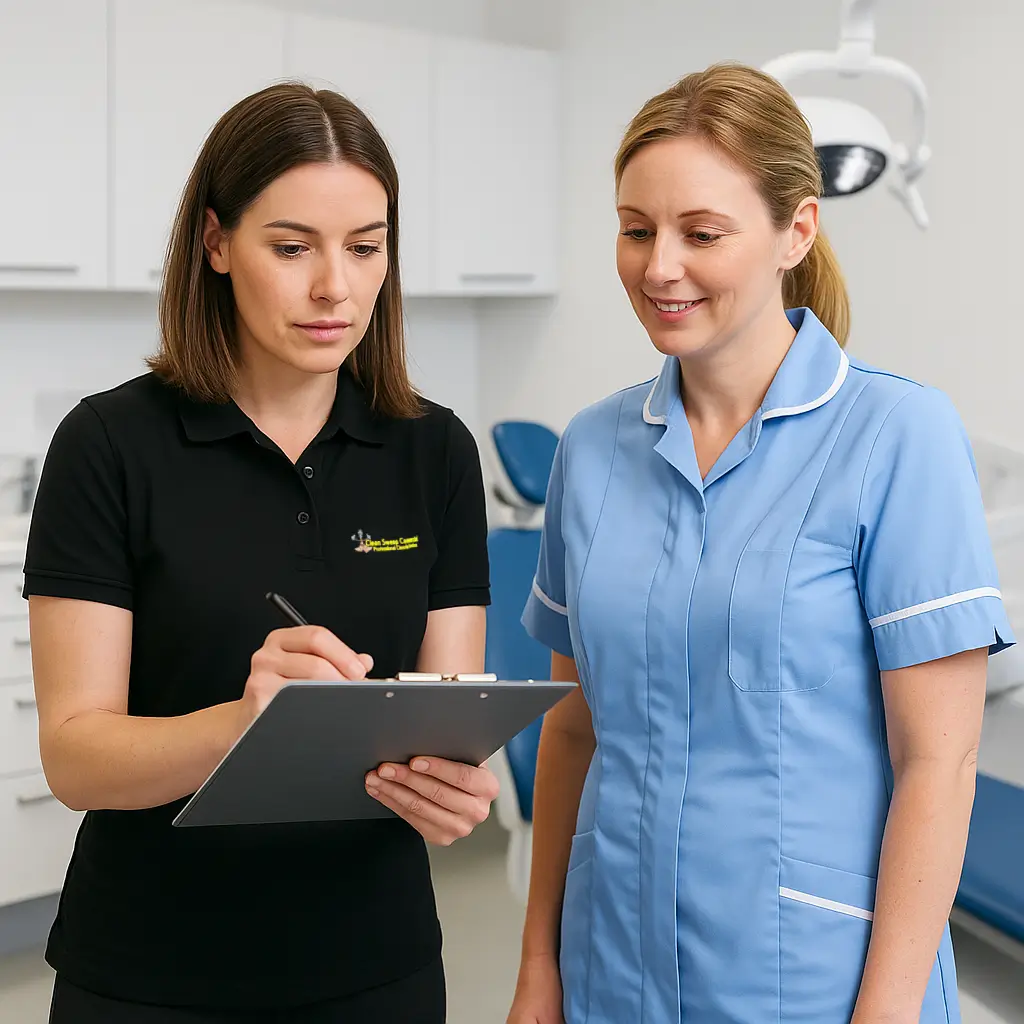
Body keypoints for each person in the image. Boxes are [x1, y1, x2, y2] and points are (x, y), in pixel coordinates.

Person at [506, 61, 1014, 1024]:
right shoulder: (592, 448)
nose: (660, 266)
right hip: (610, 966)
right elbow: (575, 726)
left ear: (797, 229)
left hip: (816, 981)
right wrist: (541, 964)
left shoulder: (894, 436)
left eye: (702, 234)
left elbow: (936, 765)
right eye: (635, 229)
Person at [26, 82, 499, 1023]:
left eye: (366, 248)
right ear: (215, 245)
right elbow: (76, 759)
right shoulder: (112, 445)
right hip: (151, 974)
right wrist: (244, 726)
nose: (336, 285)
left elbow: (448, 717)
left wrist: (453, 789)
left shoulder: (434, 451)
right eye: (291, 248)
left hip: (381, 969)